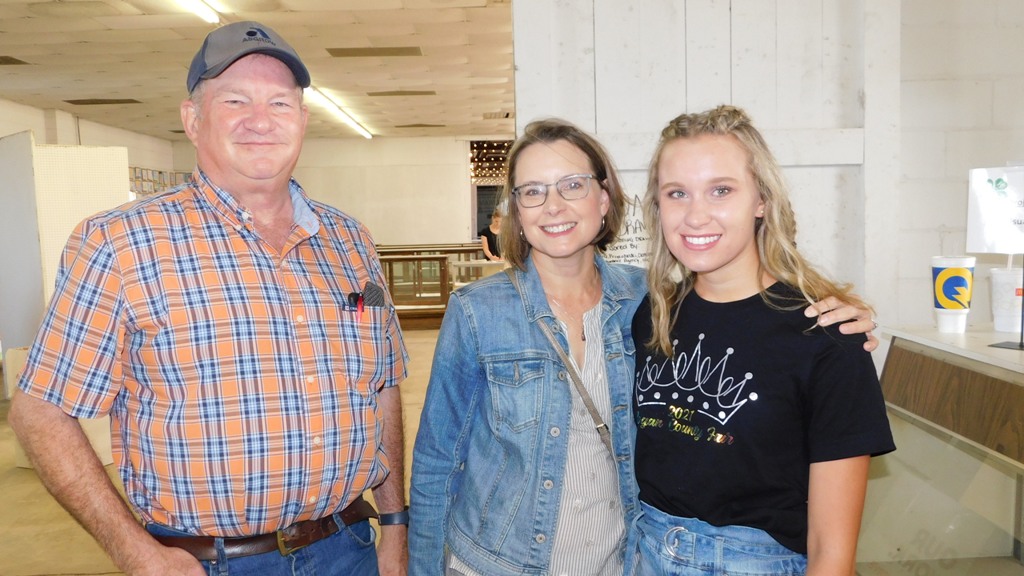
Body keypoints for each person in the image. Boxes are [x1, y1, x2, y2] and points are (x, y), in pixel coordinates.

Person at [8, 21, 410, 576]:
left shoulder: (350, 241)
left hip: (349, 548)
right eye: (235, 100)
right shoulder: (120, 243)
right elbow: (40, 411)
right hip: (211, 564)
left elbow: (383, 386)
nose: (260, 121)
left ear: (301, 121)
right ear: (193, 120)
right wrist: (136, 553)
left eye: (279, 103)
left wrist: (395, 526)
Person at [408, 118, 878, 576]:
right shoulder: (491, 312)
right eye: (532, 191)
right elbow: (436, 463)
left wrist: (839, 322)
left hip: (635, 558)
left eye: (572, 185)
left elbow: (832, 547)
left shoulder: (641, 302)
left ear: (604, 198)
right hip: (538, 558)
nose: (553, 206)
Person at [630, 105, 896, 576]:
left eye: (721, 190)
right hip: (645, 552)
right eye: (677, 193)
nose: (695, 215)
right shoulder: (653, 316)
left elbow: (831, 551)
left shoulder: (827, 335)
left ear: (762, 201)